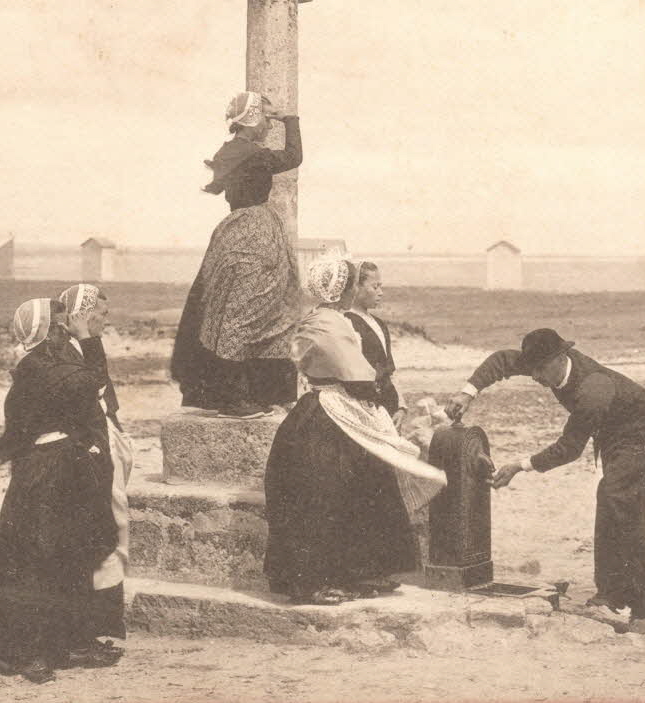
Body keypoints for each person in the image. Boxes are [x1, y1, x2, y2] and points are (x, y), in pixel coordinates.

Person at [445, 329, 645, 627]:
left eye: (540, 370)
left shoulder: (593, 389)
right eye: (531, 369)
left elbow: (570, 448)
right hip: (610, 431)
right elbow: (501, 360)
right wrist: (467, 392)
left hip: (641, 434)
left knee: (620, 500)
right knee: (609, 498)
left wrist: (520, 466)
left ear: (561, 358)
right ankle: (611, 593)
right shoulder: (545, 364)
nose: (535, 377)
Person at [264, 257, 446, 605]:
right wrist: (376, 396)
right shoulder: (332, 323)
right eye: (351, 286)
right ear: (343, 291)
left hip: (319, 408)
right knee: (326, 494)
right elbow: (358, 376)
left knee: (357, 488)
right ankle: (314, 582)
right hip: (331, 412)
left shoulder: (317, 318)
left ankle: (357, 572)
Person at [0, 299, 120, 683]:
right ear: (44, 334)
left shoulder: (52, 362)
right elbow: (91, 385)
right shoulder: (38, 367)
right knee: (34, 560)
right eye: (59, 327)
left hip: (62, 466)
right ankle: (25, 652)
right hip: (43, 473)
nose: (65, 330)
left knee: (70, 553)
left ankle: (67, 643)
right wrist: (88, 339)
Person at [169, 91, 303, 418]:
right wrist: (288, 119)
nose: (267, 126)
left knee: (231, 310)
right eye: (264, 120)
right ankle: (234, 399)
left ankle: (249, 393)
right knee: (250, 314)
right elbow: (294, 156)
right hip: (255, 233)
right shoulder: (253, 155)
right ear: (253, 120)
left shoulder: (228, 152)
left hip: (234, 231)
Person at [59, 284, 131, 656]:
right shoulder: (66, 353)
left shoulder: (85, 347)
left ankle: (98, 627)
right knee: (103, 532)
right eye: (101, 314)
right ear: (85, 316)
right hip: (83, 457)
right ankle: (87, 631)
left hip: (101, 446)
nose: (106, 320)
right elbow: (89, 396)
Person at [346, 261, 406, 421]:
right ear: (356, 287)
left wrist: (401, 407)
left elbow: (390, 371)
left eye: (381, 286)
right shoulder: (346, 322)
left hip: (390, 406)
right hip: (367, 409)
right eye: (375, 287)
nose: (381, 293)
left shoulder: (379, 324)